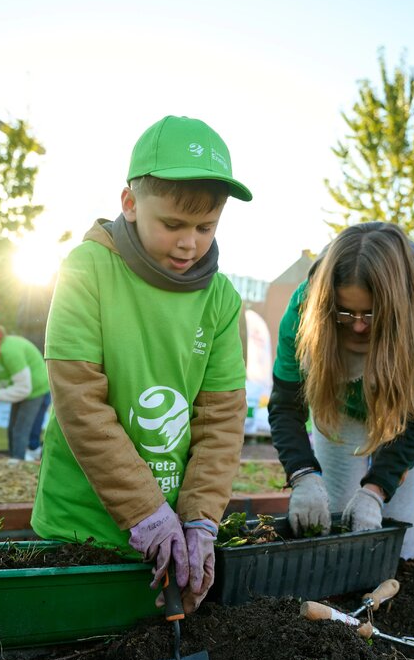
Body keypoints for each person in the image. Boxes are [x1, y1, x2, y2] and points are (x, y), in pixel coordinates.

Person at [31, 115, 251, 611]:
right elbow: (79, 402)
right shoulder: (86, 269)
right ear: (129, 203)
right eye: (172, 224)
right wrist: (143, 510)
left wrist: (199, 519)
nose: (189, 242)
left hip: (166, 537)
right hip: (79, 527)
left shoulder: (220, 298)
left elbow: (220, 420)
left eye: (205, 226)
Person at [268, 221, 414, 560]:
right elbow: (285, 403)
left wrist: (377, 490)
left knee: (396, 519)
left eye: (372, 314)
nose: (358, 325)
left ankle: (398, 591)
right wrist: (302, 473)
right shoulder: (304, 307)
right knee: (336, 507)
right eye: (345, 313)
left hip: (406, 415)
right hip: (340, 409)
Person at [0, 327, 51, 460]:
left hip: (36, 389)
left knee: (21, 428)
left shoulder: (9, 351)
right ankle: (14, 457)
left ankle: (18, 460)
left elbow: (24, 389)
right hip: (24, 388)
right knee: (13, 427)